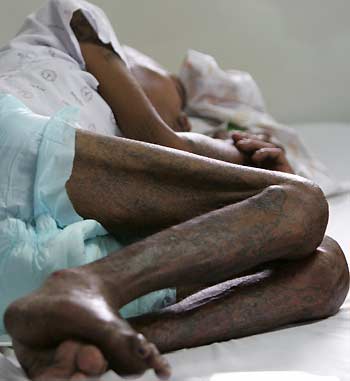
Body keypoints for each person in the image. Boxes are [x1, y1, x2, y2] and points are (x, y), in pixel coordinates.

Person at [0, 1, 348, 380]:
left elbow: (273, 221)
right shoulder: (71, 23)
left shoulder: (135, 182)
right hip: (14, 156)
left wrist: (258, 196)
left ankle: (100, 334)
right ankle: (86, 287)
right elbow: (163, 143)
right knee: (302, 205)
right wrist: (251, 176)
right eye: (162, 77)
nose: (170, 87)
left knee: (326, 269)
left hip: (19, 280)